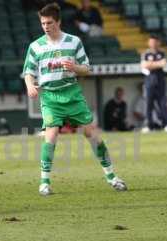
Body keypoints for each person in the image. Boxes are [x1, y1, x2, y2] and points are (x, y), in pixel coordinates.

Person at [23, 3, 127, 196]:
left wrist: (74, 68)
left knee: (92, 134)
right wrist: (30, 85)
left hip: (72, 93)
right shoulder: (35, 46)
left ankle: (112, 176)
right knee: (51, 135)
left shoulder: (74, 42)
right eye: (43, 23)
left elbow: (86, 68)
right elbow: (28, 72)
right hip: (50, 96)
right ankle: (44, 182)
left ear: (59, 21)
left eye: (50, 22)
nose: (46, 26)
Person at [140, 35, 167, 133]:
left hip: (160, 81)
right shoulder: (145, 54)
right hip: (149, 82)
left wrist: (151, 64)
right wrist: (157, 64)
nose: (153, 44)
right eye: (151, 42)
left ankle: (166, 124)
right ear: (149, 43)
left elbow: (164, 63)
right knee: (148, 104)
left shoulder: (162, 53)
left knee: (162, 104)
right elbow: (143, 65)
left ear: (158, 43)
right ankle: (148, 125)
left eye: (155, 42)